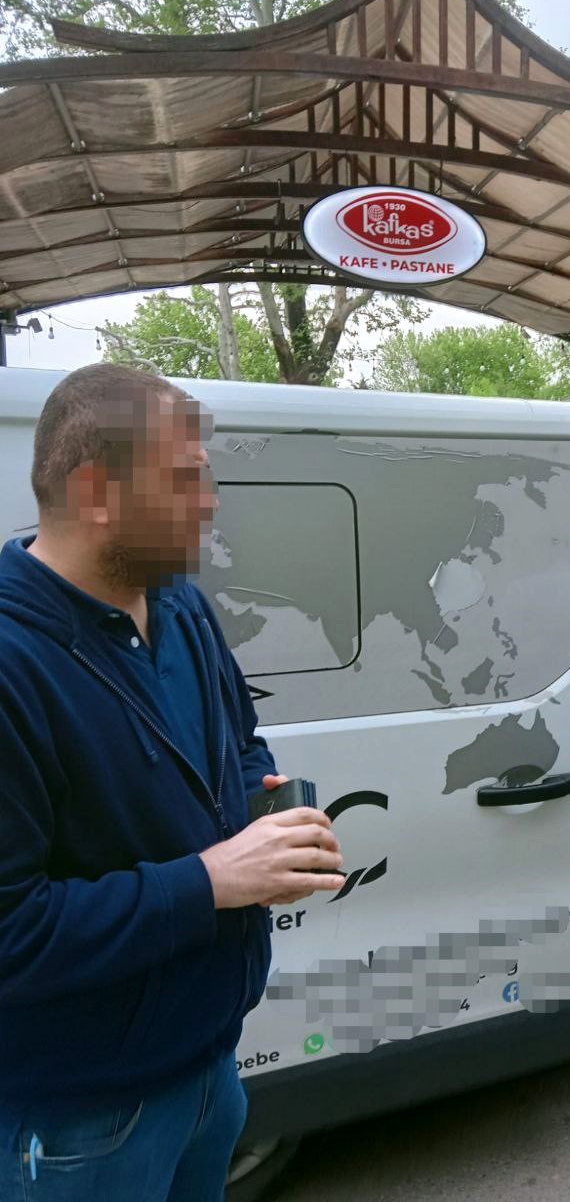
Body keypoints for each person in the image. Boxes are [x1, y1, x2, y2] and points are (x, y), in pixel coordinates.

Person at [0, 365, 345, 1201]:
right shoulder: (13, 663)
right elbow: (12, 931)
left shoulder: (179, 604)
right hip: (81, 1120)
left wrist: (268, 817)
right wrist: (212, 881)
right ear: (96, 492)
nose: (211, 501)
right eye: (186, 478)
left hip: (209, 1067)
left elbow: (238, 736)